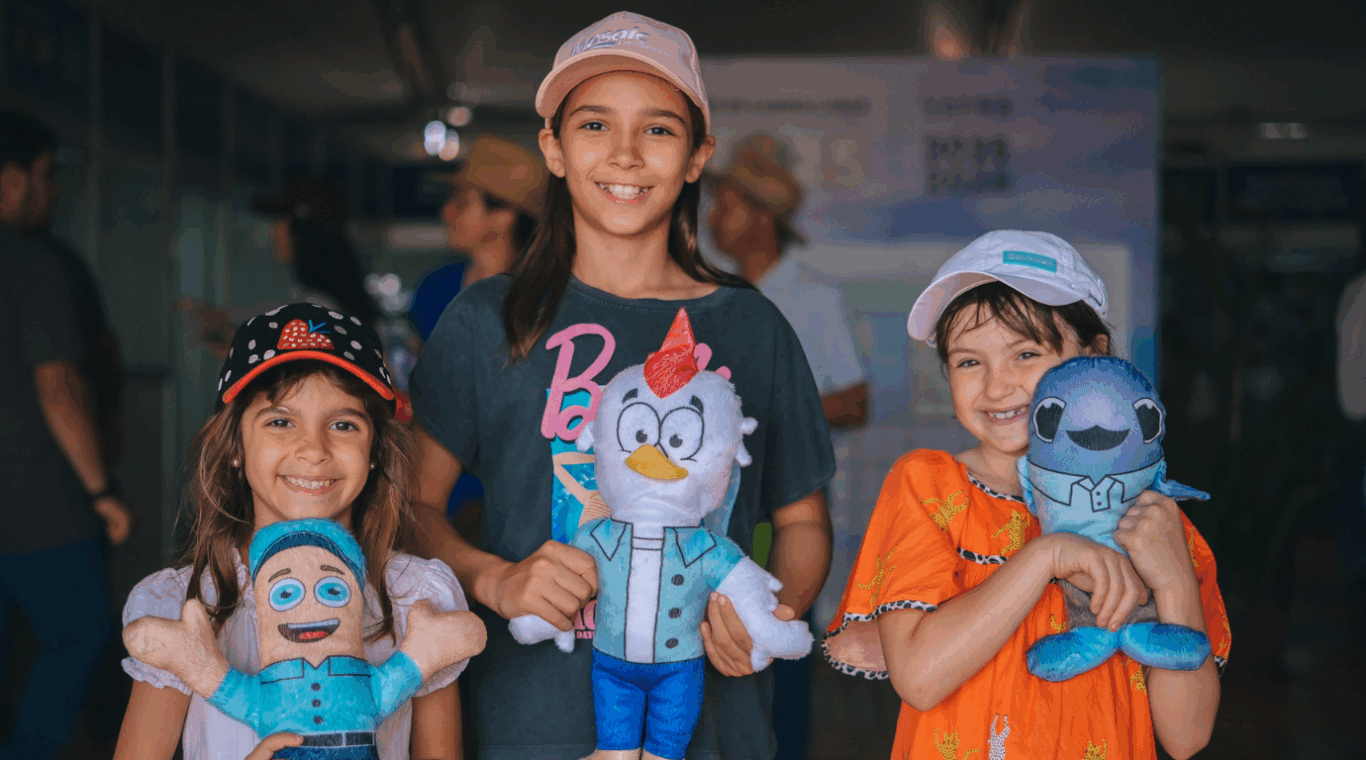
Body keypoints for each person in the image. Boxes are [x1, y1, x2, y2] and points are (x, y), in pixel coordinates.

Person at [407, 11, 835, 760]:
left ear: (699, 155)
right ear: (556, 148)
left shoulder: (752, 326)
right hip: (530, 725)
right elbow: (410, 508)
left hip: (712, 728)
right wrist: (496, 579)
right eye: (596, 126)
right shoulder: (487, 320)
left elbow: (801, 521)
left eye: (660, 130)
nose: (627, 156)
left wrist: (773, 610)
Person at [823, 230, 1231, 760]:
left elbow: (1186, 737)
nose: (997, 387)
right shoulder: (929, 486)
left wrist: (1173, 580)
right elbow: (920, 677)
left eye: (1026, 353)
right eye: (969, 362)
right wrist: (1046, 555)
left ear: (1093, 355)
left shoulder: (1149, 515)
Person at [113, 303, 475, 760]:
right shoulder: (183, 604)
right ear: (234, 447)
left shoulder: (416, 598)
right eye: (280, 422)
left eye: (343, 424)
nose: (313, 450)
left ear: (376, 451)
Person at [706, 131, 868, 760]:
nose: (715, 219)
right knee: (721, 617)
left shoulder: (812, 296)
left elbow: (855, 400)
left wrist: (762, 419)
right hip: (720, 497)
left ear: (763, 215)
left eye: (727, 205)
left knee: (779, 614)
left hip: (786, 498)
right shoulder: (714, 293)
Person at [0, 109, 134, 760]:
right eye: (46, 176)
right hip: (38, 505)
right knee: (78, 634)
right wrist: (102, 489)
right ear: (10, 180)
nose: (51, 193)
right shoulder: (32, 263)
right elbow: (59, 386)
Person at [407, 136, 548, 537]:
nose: (446, 211)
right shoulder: (435, 288)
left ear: (503, 216)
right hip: (427, 477)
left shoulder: (541, 305)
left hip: (505, 493)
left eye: (463, 202)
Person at [187, 176, 378, 357]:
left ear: (302, 234)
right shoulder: (328, 302)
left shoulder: (317, 311)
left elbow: (301, 376)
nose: (273, 232)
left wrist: (242, 354)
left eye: (281, 223)